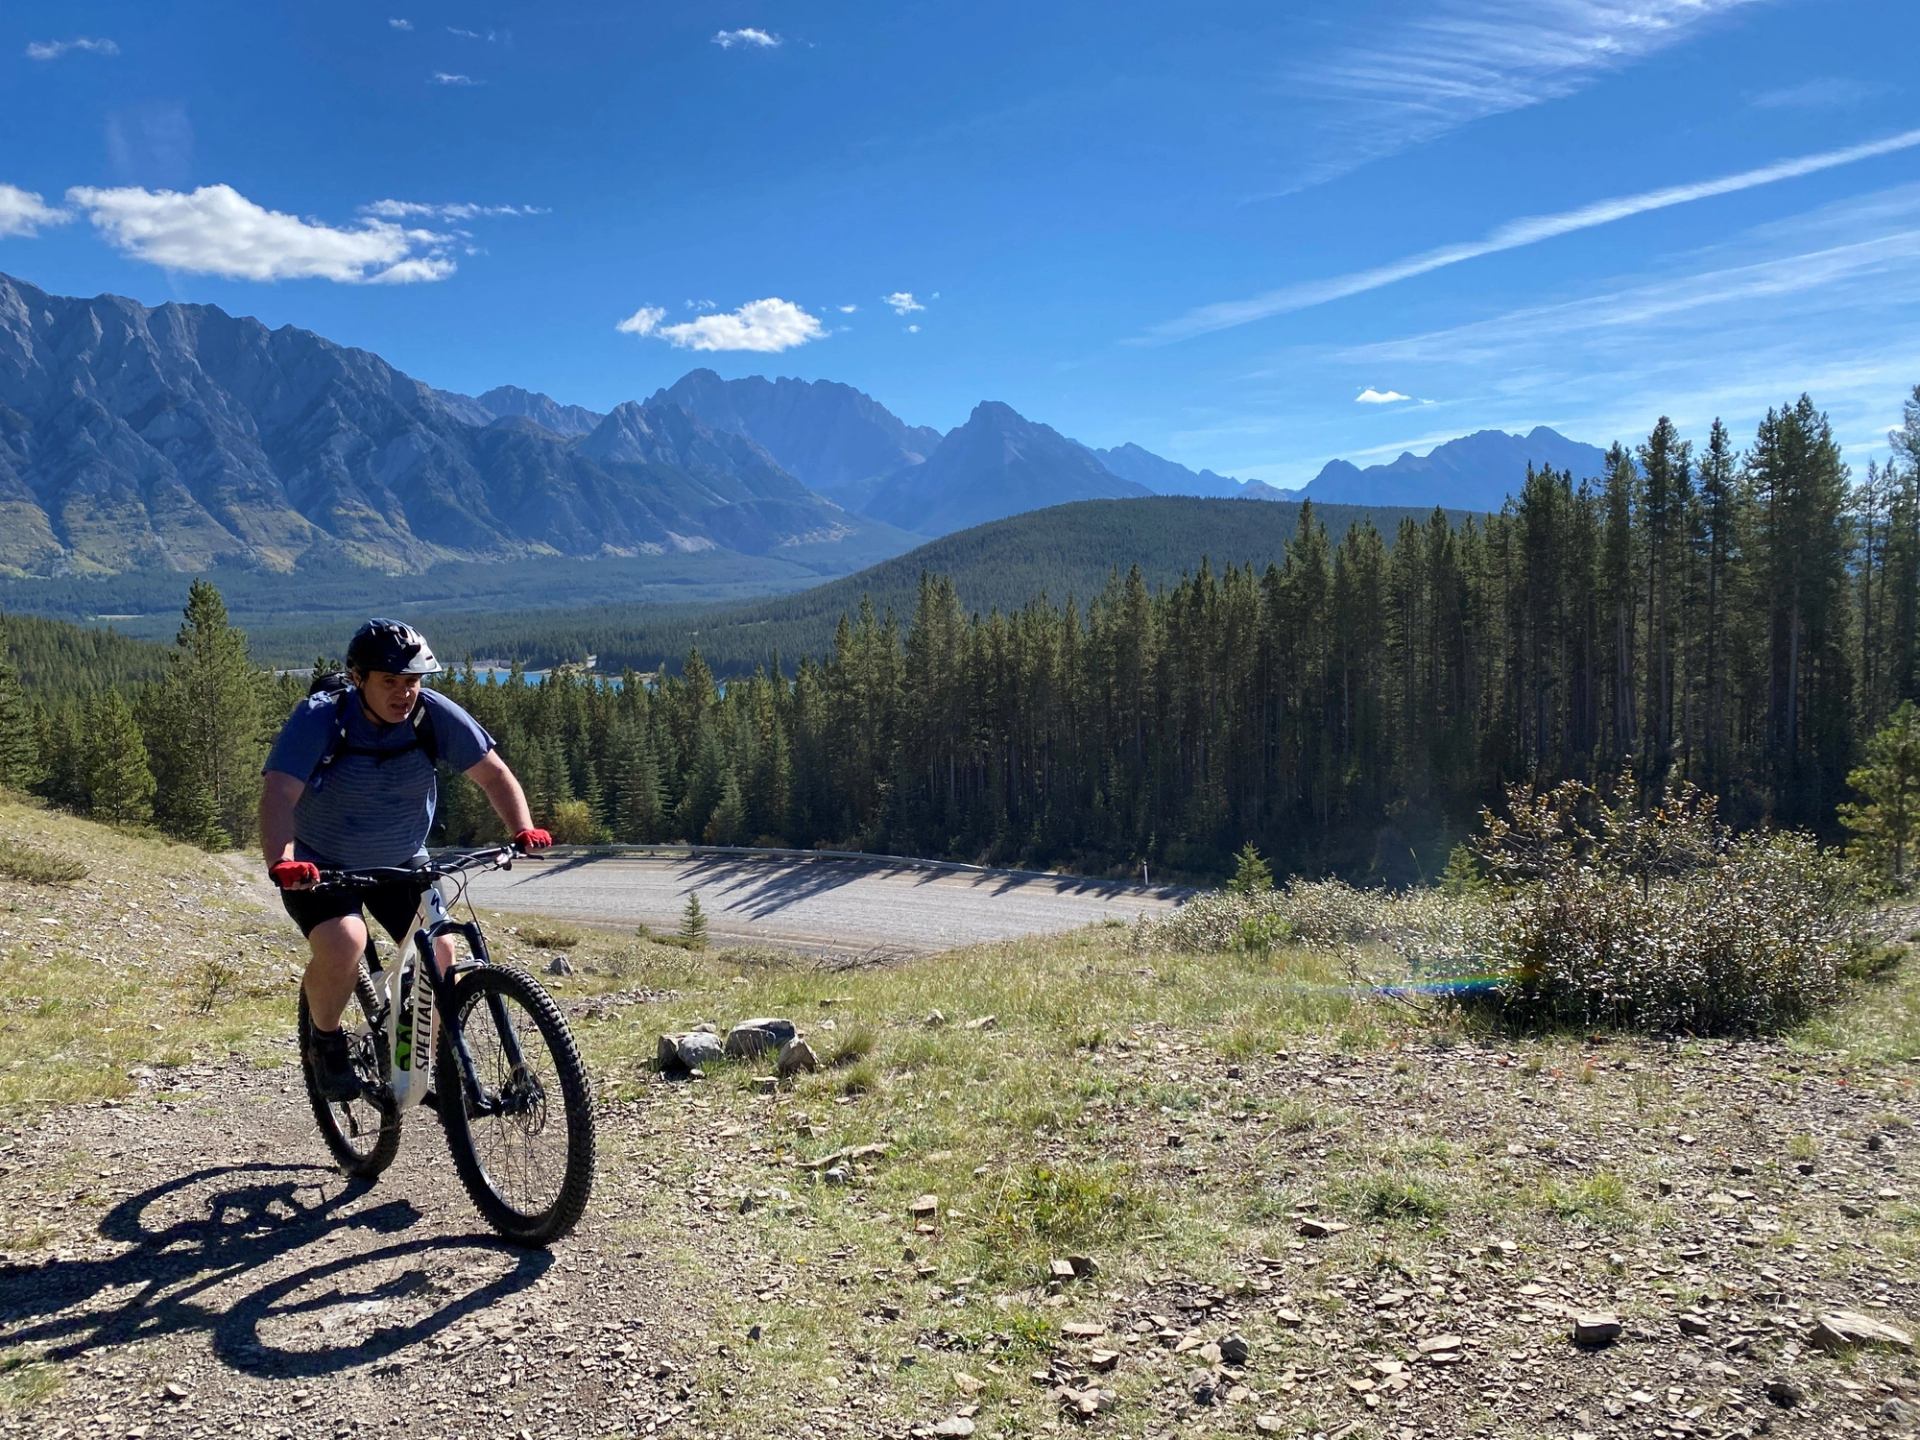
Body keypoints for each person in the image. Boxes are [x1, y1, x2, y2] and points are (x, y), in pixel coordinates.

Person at [260, 618, 551, 1100]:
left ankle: (416, 1057)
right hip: (319, 865)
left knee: (441, 953)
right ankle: (325, 1042)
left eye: (412, 681)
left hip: (401, 859)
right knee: (345, 942)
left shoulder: (431, 716)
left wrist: (522, 828)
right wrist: (283, 860)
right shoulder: (320, 719)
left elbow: (493, 774)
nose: (404, 693)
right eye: (390, 681)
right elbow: (278, 795)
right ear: (358, 679)